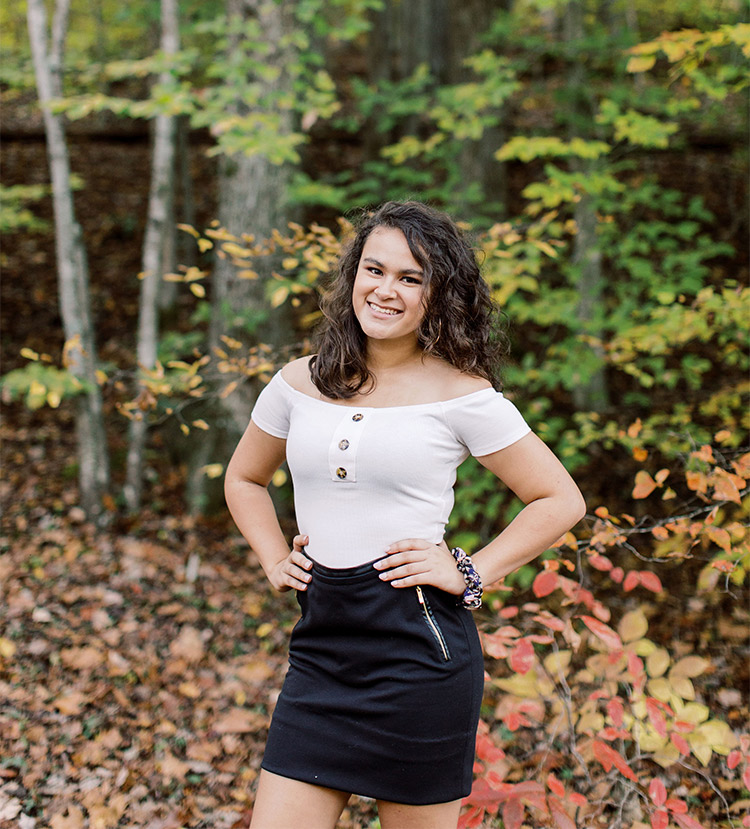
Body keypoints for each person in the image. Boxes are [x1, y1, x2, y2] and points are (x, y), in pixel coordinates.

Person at [224, 201, 586, 829]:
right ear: (353, 276)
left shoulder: (463, 395)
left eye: (411, 278)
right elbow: (244, 477)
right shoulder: (297, 384)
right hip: (321, 656)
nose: (386, 290)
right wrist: (271, 556)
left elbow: (560, 500)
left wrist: (470, 570)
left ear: (437, 294)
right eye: (375, 269)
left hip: (420, 660)